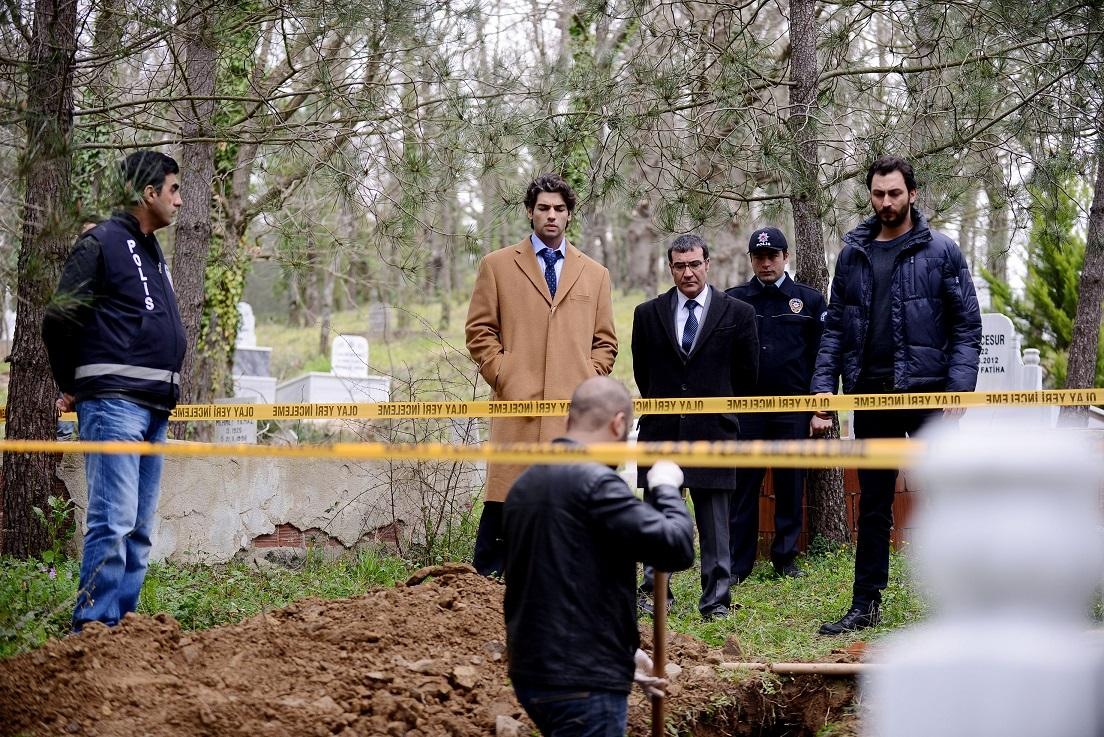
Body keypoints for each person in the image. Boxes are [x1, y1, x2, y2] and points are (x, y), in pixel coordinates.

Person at [810, 155, 981, 635]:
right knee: (873, 504)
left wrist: (958, 391)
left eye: (895, 193)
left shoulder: (942, 251)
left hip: (928, 397)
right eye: (878, 194)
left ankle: (964, 605)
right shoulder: (853, 254)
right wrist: (822, 392)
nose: (886, 202)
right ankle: (864, 604)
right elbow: (835, 329)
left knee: (944, 497)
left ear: (913, 194)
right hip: (870, 397)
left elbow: (967, 326)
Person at [503, 377, 695, 736]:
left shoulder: (526, 484)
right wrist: (666, 488)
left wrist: (621, 653)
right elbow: (676, 547)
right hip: (582, 683)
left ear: (568, 421)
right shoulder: (596, 485)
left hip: (533, 673)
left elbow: (564, 578)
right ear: (619, 424)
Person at [42, 151, 186, 631]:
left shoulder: (153, 252)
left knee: (139, 532)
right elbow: (58, 318)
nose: (179, 201)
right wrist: (72, 385)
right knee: (114, 522)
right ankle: (93, 632)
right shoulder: (100, 242)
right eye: (173, 190)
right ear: (149, 193)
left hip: (155, 407)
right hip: (114, 405)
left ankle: (123, 634)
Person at [465, 173, 618, 577]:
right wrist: (505, 375)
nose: (552, 215)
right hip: (518, 408)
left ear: (569, 216)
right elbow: (479, 331)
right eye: (544, 208)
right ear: (530, 212)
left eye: (559, 209)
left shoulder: (595, 273)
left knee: (568, 503)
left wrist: (586, 381)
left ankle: (567, 581)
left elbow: (605, 342)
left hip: (571, 414)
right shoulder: (497, 265)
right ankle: (487, 587)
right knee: (505, 502)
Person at [632, 234, 759, 620]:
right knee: (658, 517)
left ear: (708, 264)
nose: (687, 272)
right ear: (670, 268)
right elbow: (643, 373)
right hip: (661, 432)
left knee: (716, 523)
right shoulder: (647, 314)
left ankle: (716, 600)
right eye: (680, 266)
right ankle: (655, 593)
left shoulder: (738, 313)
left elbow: (746, 376)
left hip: (714, 431)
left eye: (694, 264)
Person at [727, 227, 827, 582]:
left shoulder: (809, 301)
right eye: (759, 257)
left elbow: (823, 357)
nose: (766, 263)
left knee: (790, 484)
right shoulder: (734, 300)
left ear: (786, 257)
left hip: (792, 409)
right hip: (747, 410)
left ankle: (785, 559)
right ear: (751, 260)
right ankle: (738, 563)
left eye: (772, 256)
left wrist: (820, 410)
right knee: (743, 488)